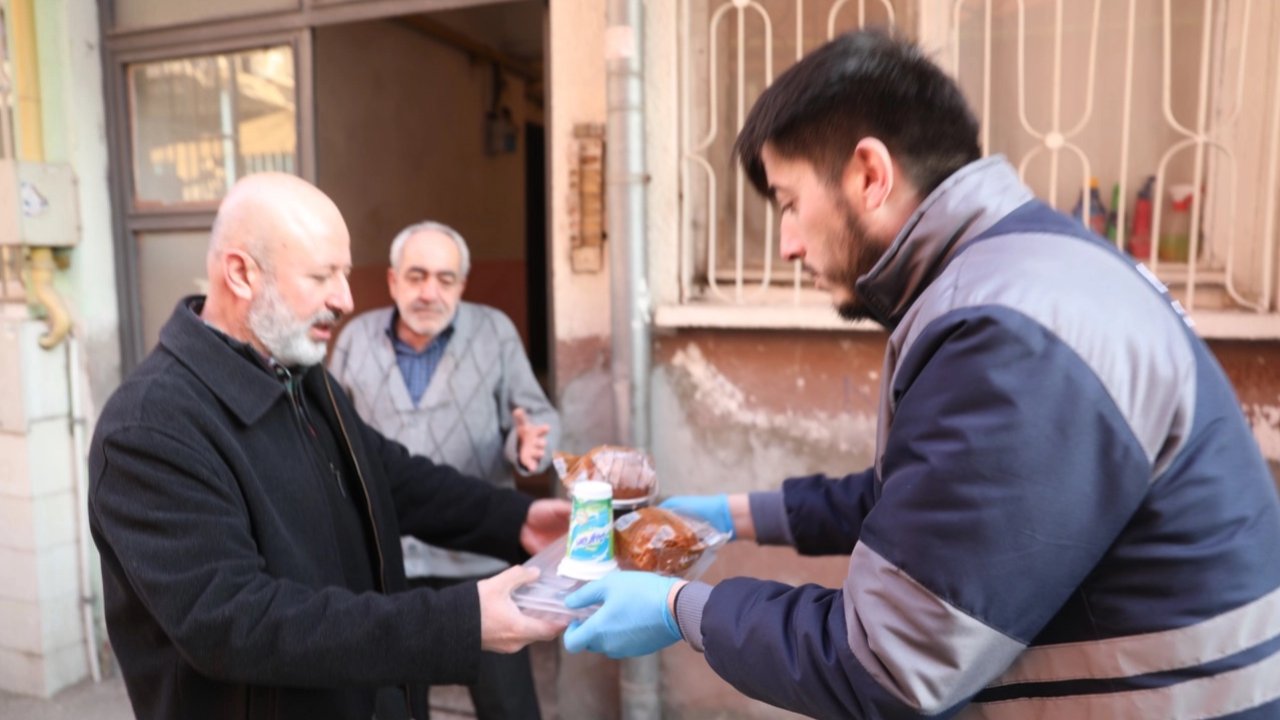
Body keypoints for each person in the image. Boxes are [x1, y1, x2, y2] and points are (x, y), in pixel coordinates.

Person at [561, 30, 1280, 719]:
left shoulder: (1007, 332)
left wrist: (680, 610)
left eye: (787, 204)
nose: (784, 244)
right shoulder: (1022, 275)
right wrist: (720, 514)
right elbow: (922, 503)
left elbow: (889, 664)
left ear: (869, 174)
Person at [87, 173, 570, 720]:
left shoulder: (296, 371)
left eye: (343, 271)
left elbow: (385, 475)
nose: (345, 298)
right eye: (322, 276)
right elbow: (234, 622)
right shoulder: (149, 429)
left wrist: (518, 518)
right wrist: (461, 621)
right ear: (241, 273)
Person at [329, 220, 560, 719]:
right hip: (390, 566)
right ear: (392, 281)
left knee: (509, 705)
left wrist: (527, 450)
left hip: (479, 564)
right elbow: (332, 439)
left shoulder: (494, 331)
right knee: (396, 705)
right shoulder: (354, 340)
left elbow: (535, 417)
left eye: (445, 278)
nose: (429, 292)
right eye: (415, 276)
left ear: (462, 284)